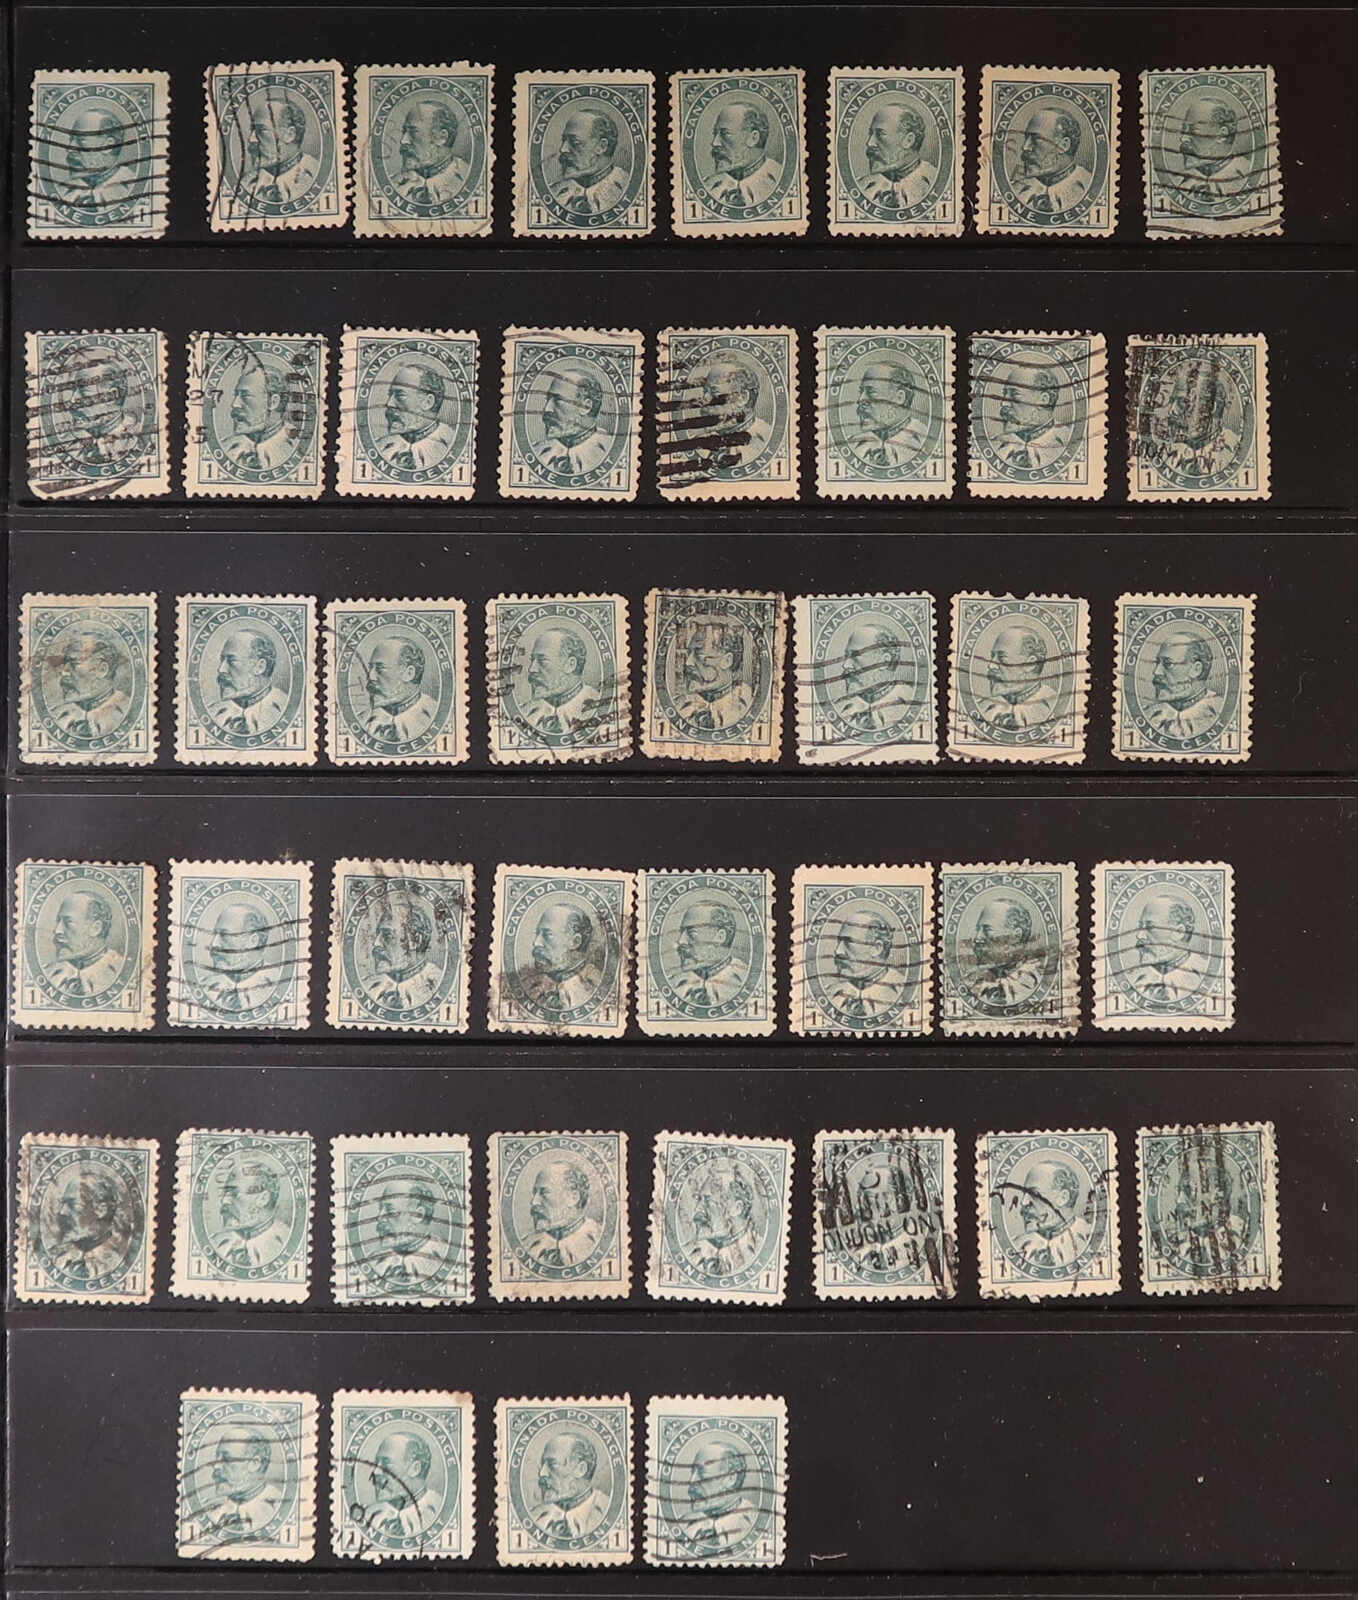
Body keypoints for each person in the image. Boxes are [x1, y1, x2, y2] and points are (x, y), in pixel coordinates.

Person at [1161, 1142, 1249, 1274]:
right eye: (1201, 1162)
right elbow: (1182, 1206)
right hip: (1197, 1232)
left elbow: (1224, 1204)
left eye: (1207, 1162)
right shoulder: (1189, 1182)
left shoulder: (1219, 1179)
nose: (1204, 1165)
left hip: (1216, 1231)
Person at [1156, 360, 1241, 480]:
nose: (1172, 411)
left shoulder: (1232, 453)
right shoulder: (1168, 452)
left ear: (1213, 407)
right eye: (1173, 402)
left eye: (1184, 402)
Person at [825, 909, 911, 1022]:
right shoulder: (829, 994)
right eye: (839, 941)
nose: (838, 951)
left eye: (848, 942)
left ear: (877, 948)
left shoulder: (904, 992)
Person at [50, 1167, 131, 1282]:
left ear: (101, 1210)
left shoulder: (123, 1260)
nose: (62, 1212)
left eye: (72, 1204)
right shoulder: (55, 1256)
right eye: (63, 1204)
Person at [60, 352, 141, 466]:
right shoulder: (67, 446)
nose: (72, 400)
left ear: (111, 396)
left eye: (82, 391)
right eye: (74, 391)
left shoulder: (140, 440)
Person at [1171, 93, 1252, 205]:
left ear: (1222, 135)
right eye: (1184, 129)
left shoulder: (1249, 175)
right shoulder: (1177, 182)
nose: (1183, 138)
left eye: (1193, 130)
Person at [209, 1158, 290, 1270]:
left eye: (234, 1194)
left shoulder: (286, 1242)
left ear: (263, 1199)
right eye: (224, 1193)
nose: (224, 1201)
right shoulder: (214, 1243)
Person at [524, 903, 604, 1016]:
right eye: (537, 933)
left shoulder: (594, 985)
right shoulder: (530, 983)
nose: (536, 942)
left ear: (575, 942)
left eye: (548, 935)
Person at [207, 627, 289, 737]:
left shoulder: (286, 710)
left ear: (260, 667)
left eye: (231, 661)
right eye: (222, 660)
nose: (221, 669)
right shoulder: (212, 713)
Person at [684, 1160, 760, 1278]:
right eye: (700, 1201)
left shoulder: (756, 1249)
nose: (695, 1215)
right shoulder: (693, 1253)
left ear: (737, 1208)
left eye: (708, 1202)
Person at [201, 1428, 283, 1537]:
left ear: (254, 1463)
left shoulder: (279, 1508)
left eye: (227, 1459)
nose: (216, 1466)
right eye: (217, 1458)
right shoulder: (209, 1511)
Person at [200, 902, 279, 1015]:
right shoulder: (202, 986)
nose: (214, 944)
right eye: (215, 934)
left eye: (224, 935)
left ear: (253, 941)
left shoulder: (279, 984)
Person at [363, 898, 441, 1013]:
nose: (376, 944)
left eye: (387, 935)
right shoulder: (368, 986)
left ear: (415, 941)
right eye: (377, 935)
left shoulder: (437, 985)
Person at [365, 1179, 447, 1287]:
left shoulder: (445, 1257)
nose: (380, 1217)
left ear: (418, 1215)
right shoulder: (371, 1262)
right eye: (380, 1209)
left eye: (391, 1212)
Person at [240, 93, 318, 207]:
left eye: (261, 130)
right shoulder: (246, 183)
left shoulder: (315, 176)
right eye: (252, 130)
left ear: (289, 134)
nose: (251, 139)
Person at [55, 108, 139, 213]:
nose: (70, 148)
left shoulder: (134, 188)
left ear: (108, 146)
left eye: (81, 140)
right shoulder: (62, 191)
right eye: (71, 139)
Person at [675, 619, 754, 731]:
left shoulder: (748, 704)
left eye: (700, 657)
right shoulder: (680, 705)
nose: (688, 663)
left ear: (727, 661)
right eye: (689, 655)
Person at [530, 1430, 610, 1539]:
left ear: (580, 1469)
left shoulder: (607, 1512)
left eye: (552, 1464)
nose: (542, 1473)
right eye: (543, 1464)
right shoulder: (535, 1516)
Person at [52, 629, 131, 739]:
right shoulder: (57, 716)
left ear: (102, 670)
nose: (64, 672)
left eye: (74, 663)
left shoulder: (129, 712)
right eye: (65, 664)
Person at [975, 624, 1058, 730]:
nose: (991, 666)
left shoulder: (1055, 706)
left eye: (1002, 658)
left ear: (1030, 664)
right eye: (992, 656)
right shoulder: (981, 707)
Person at [1012, 106, 1092, 214]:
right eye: (1026, 138)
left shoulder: (1089, 188)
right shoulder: (1016, 190)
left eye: (1036, 139)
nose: (1025, 147)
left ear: (1063, 145)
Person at [1014, 1157, 1092, 1270]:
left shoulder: (1091, 1239)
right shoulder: (1017, 1245)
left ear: (1063, 1197)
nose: (1024, 1202)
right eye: (1024, 1194)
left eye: (1034, 1194)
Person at [835, 623, 915, 732]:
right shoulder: (838, 708)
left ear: (884, 661)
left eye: (855, 656)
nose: (845, 665)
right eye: (846, 656)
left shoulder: (911, 703)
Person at [522, 626, 600, 738]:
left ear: (570, 665)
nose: (532, 669)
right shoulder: (524, 712)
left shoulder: (600, 709)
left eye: (542, 661)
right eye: (532, 660)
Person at [848, 361, 928, 469]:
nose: (860, 399)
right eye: (861, 392)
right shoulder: (852, 444)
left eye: (871, 392)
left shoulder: (926, 441)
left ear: (899, 398)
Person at [1129, 893, 1207, 1004]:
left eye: (1150, 927)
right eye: (1140, 927)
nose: (1140, 936)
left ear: (1178, 932)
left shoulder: (1205, 975)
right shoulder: (1132, 978)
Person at [691, 359, 769, 469]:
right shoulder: (697, 444)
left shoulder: (766, 440)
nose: (704, 400)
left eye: (714, 392)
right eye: (705, 392)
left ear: (742, 397)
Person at [377, 363, 455, 472]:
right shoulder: (380, 446)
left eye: (400, 396)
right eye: (390, 395)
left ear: (427, 402)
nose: (389, 403)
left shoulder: (452, 446)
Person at [524, 1157, 601, 1268]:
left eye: (544, 1193)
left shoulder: (599, 1240)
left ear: (573, 1197)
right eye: (534, 1193)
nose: (534, 1202)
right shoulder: (527, 1245)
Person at [681, 1440, 757, 1552]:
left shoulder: (755, 1524)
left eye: (702, 1473)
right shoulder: (682, 1525)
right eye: (692, 1472)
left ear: (730, 1478)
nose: (692, 1481)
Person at [1146, 631, 1223, 740]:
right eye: (1157, 662)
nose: (1156, 672)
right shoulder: (1147, 714)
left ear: (1196, 669)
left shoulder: (1221, 711)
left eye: (1168, 664)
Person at [969, 895, 1044, 1008]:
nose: (977, 938)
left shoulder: (1033, 981)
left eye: (987, 929)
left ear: (1015, 936)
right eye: (977, 930)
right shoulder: (977, 981)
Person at [366, 1429, 442, 1537]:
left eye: (386, 1463)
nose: (375, 1472)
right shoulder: (368, 1515)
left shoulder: (439, 1511)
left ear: (415, 1469)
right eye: (376, 1463)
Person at [550, 109, 628, 215]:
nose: (563, 149)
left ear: (602, 146)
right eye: (564, 140)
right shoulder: (554, 192)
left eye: (575, 143)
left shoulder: (625, 188)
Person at [536, 368, 611, 476]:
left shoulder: (610, 450)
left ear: (585, 407)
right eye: (547, 399)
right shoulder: (537, 452)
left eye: (558, 400)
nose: (547, 409)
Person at [48, 887, 122, 996]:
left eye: (68, 922)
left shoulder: (121, 971)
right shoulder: (49, 973)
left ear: (95, 928)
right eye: (58, 921)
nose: (57, 930)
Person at [223, 363, 297, 472]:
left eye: (245, 395)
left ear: (273, 402)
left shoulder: (296, 448)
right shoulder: (226, 447)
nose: (235, 404)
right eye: (236, 395)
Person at [860, 102, 936, 208]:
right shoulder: (861, 186)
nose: (870, 143)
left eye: (880, 134)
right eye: (870, 133)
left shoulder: (935, 182)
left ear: (908, 140)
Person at [673, 901, 747, 1008]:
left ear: (720, 937)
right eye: (681, 932)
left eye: (692, 933)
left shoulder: (745, 980)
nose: (680, 941)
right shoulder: (674, 984)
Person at [706, 101, 780, 208]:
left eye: (725, 133)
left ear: (753, 138)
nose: (715, 143)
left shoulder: (779, 179)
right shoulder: (708, 185)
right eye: (715, 133)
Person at [392, 99, 466, 205]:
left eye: (413, 132)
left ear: (441, 137)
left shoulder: (467, 178)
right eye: (404, 131)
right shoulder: (393, 184)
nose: (403, 141)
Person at [995, 362, 1066, 471]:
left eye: (1015, 394)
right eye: (1005, 393)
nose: (1004, 403)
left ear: (1043, 400)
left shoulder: (1068, 442)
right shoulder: (995, 445)